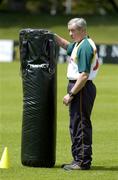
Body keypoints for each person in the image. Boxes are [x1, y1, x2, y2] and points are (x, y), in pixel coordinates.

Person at [54, 17, 100, 170]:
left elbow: (84, 75)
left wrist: (71, 94)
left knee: (80, 125)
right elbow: (67, 45)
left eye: (73, 30)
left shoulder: (85, 47)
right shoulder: (80, 44)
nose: (70, 33)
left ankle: (81, 162)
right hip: (81, 88)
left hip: (81, 88)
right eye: (69, 30)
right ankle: (78, 160)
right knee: (76, 124)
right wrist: (51, 36)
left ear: (83, 30)